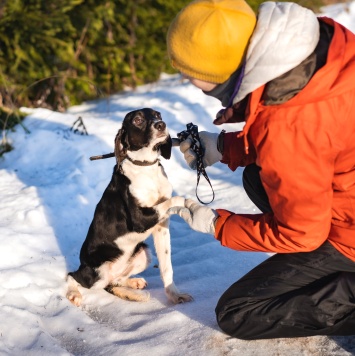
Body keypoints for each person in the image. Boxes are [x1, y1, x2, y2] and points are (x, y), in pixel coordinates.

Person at [166, 0, 355, 340]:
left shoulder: (287, 126)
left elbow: (303, 232)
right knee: (257, 176)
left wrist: (218, 224)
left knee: (239, 313)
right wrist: (224, 147)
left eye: (191, 74)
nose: (184, 78)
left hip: (351, 231)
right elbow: (317, 135)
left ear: (220, 74)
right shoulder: (322, 49)